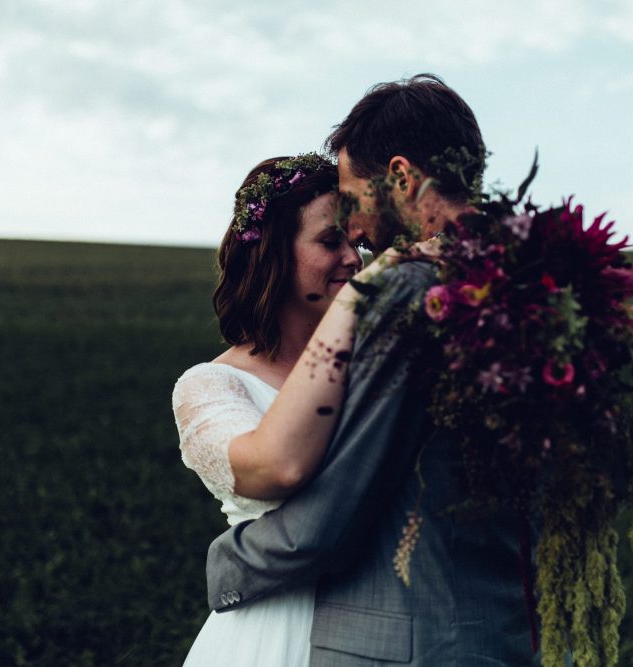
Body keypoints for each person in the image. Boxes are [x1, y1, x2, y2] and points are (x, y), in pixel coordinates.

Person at [206, 74, 540, 665]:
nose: (357, 239)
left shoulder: (411, 293)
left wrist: (226, 564)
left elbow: (332, 512)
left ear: (403, 178)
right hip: (502, 627)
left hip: (407, 642)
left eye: (355, 200)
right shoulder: (531, 285)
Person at [174, 153, 390, 665]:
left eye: (356, 242)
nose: (355, 259)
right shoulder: (212, 386)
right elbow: (276, 468)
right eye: (329, 240)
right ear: (273, 254)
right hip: (275, 634)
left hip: (386, 627)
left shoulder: (378, 363)